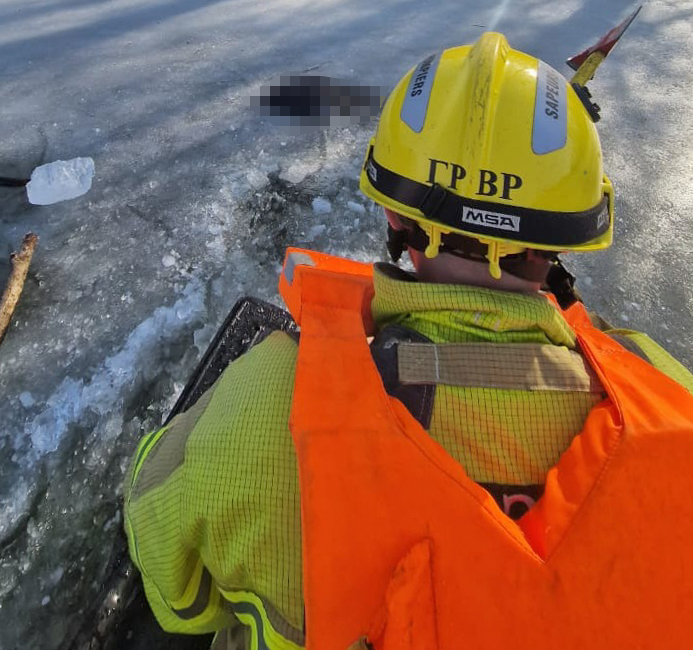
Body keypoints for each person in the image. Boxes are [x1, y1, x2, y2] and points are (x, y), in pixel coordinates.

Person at [124, 32, 693, 650]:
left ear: (394, 216)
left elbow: (168, 579)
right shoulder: (666, 391)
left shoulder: (273, 407)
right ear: (572, 236)